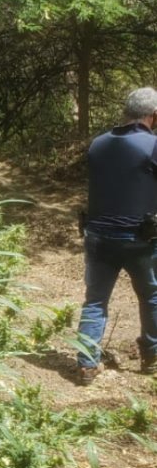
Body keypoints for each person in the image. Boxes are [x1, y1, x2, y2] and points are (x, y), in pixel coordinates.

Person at [77, 86, 157, 384]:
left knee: (95, 301)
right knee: (151, 296)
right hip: (139, 239)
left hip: (97, 235)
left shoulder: (98, 143)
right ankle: (152, 356)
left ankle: (86, 364)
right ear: (154, 116)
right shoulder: (152, 146)